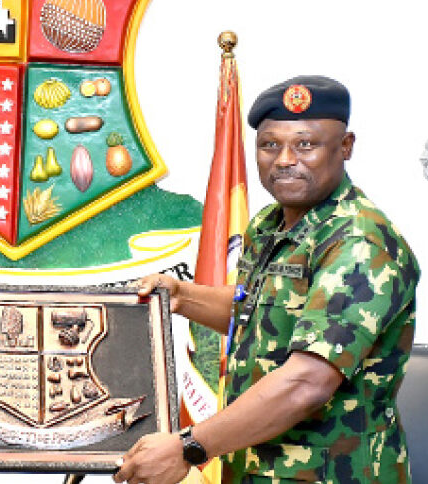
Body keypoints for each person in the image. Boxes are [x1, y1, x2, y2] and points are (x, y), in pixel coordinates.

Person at [114, 76, 420, 483]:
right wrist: (183, 295)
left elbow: (307, 382)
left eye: (305, 144)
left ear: (345, 147)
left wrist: (189, 447)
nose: (284, 160)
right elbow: (255, 315)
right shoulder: (270, 224)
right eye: (270, 144)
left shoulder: (359, 240)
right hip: (254, 469)